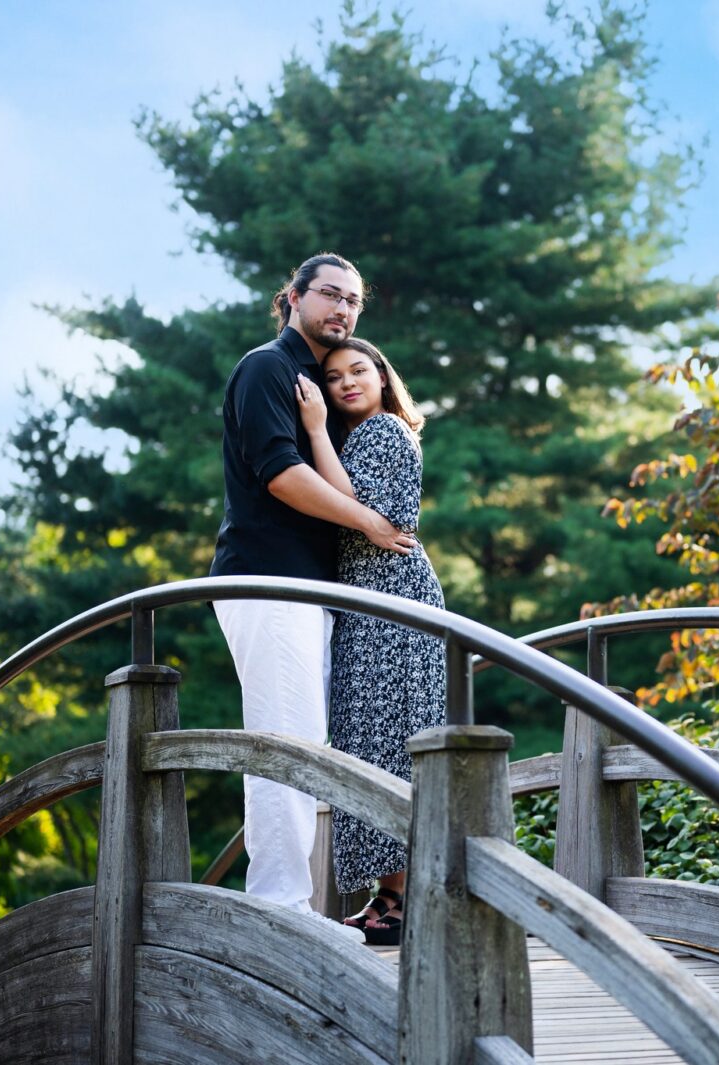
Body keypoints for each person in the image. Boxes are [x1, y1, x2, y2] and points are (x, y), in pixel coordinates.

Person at [209, 253, 415, 925]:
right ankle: (280, 908)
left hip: (310, 591)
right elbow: (280, 474)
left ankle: (291, 900)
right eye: (330, 294)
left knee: (304, 740)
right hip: (269, 582)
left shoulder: (319, 382)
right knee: (283, 740)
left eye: (354, 301)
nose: (344, 310)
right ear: (293, 296)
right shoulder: (267, 368)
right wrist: (370, 524)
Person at [296, 337, 446, 946]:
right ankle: (391, 894)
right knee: (368, 740)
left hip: (395, 602)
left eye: (360, 370)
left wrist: (313, 429)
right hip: (369, 602)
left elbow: (356, 506)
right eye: (334, 378)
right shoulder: (362, 436)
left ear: (384, 378)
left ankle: (406, 896)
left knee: (390, 740)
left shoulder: (383, 431)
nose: (347, 383)